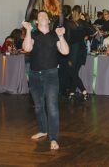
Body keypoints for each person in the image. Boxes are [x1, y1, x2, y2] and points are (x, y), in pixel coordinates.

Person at [22, 10, 69, 150]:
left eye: (45, 16)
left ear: (49, 21)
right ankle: (43, 130)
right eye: (40, 15)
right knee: (38, 106)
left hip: (51, 74)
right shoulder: (34, 35)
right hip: (35, 75)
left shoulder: (55, 35)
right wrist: (28, 31)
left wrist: (61, 36)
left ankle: (53, 138)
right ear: (36, 21)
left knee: (52, 107)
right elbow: (26, 48)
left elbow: (65, 51)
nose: (42, 16)